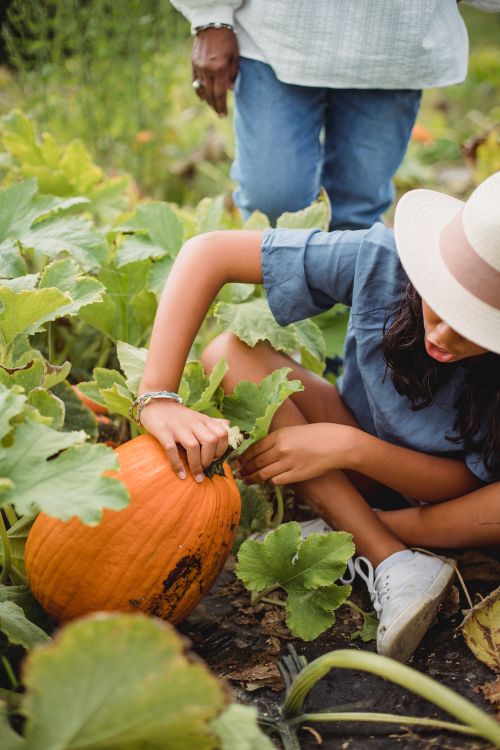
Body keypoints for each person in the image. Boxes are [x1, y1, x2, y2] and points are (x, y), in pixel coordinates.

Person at [135, 171, 500, 662]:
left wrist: (348, 447)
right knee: (231, 352)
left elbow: (461, 482)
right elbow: (209, 253)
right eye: (443, 304)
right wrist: (157, 396)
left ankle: (370, 534)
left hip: (455, 506)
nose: (446, 337)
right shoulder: (383, 260)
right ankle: (388, 557)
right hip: (360, 455)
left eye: (477, 326)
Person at [170, 0, 500, 229]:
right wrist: (210, 15)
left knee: (357, 210)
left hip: (395, 44)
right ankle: (276, 320)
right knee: (273, 203)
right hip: (274, 35)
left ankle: (343, 320)